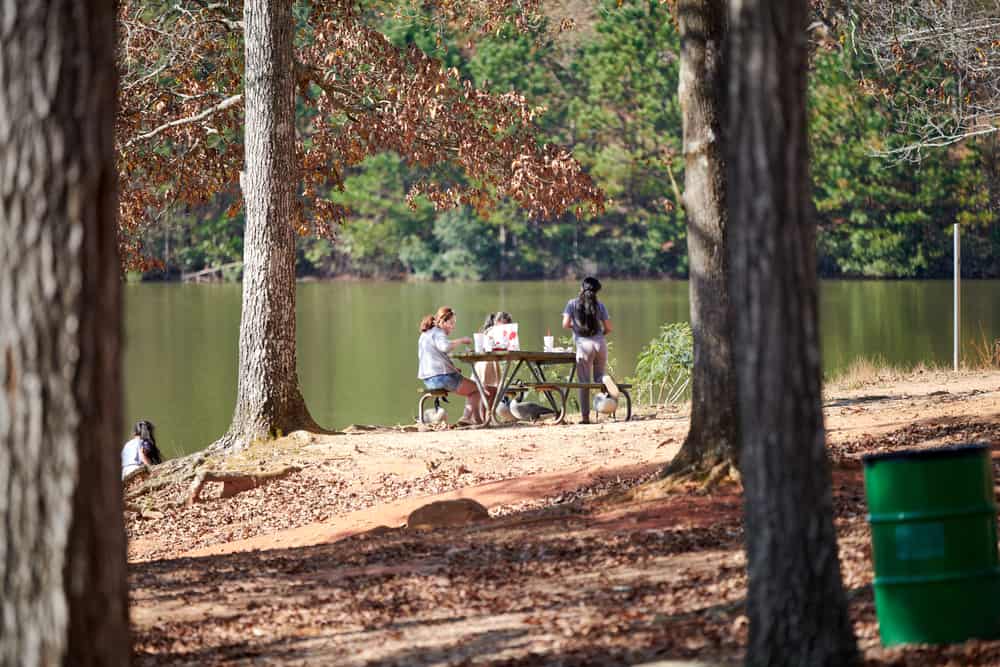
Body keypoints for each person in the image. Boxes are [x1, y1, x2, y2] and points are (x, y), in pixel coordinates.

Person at [562, 276, 618, 424]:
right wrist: (599, 336)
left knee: (584, 383)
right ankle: (605, 379)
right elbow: (609, 328)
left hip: (583, 346)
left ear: (582, 288)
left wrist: (575, 325)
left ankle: (585, 418)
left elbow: (565, 324)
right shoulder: (600, 306)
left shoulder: (572, 303)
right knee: (598, 378)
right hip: (600, 344)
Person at [417, 306, 483, 426]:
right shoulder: (438, 332)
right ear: (442, 322)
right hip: (441, 378)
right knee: (477, 390)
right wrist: (462, 340)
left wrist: (452, 368)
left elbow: (435, 357)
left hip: (428, 380)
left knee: (474, 387)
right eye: (451, 323)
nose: (453, 326)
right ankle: (471, 419)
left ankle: (473, 420)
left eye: (454, 323)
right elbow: (445, 347)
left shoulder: (426, 333)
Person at [475, 311, 513, 421]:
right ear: (497, 322)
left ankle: (489, 417)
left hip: (492, 363)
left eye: (507, 325)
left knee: (493, 390)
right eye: (504, 324)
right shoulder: (491, 331)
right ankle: (483, 417)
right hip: (485, 363)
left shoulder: (501, 332)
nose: (505, 327)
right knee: (486, 390)